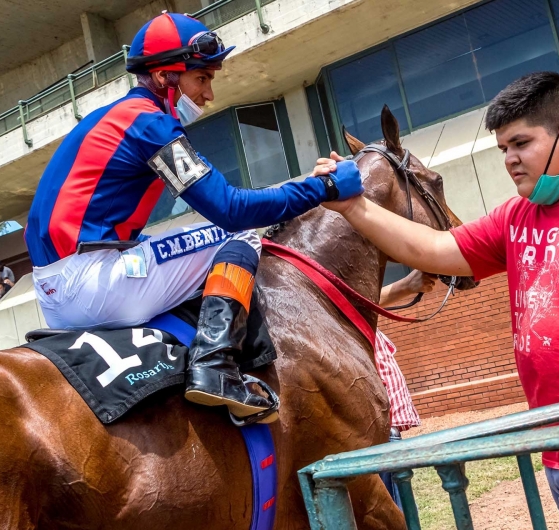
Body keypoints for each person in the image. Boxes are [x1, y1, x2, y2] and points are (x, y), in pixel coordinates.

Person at [317, 72, 559, 528]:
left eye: (520, 143)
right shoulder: (518, 216)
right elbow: (432, 250)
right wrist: (354, 206)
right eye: (503, 149)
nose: (509, 160)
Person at [23, 12, 362, 422]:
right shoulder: (149, 125)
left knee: (175, 239)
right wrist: (322, 189)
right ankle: (216, 367)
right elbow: (231, 210)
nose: (208, 94)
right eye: (202, 78)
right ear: (167, 77)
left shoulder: (114, 117)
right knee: (236, 237)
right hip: (93, 282)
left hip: (56, 290)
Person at [376, 270, 434, 509]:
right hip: (381, 432)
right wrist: (406, 285)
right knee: (395, 511)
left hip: (387, 431)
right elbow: (348, 298)